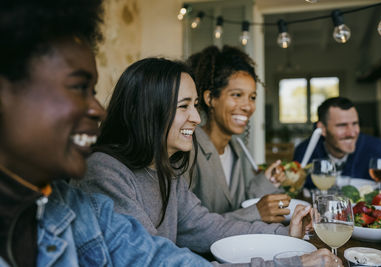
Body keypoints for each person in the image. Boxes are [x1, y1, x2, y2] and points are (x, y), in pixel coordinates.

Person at [0, 1, 290, 266]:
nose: (98, 110)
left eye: (195, 105)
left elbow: (175, 248)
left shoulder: (75, 204)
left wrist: (286, 240)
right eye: (78, 88)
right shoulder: (103, 174)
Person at [72, 57, 342, 267]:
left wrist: (284, 234)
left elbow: (209, 227)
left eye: (195, 105)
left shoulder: (167, 169)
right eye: (183, 106)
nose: (197, 118)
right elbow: (159, 262)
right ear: (146, 110)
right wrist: (289, 263)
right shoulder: (104, 172)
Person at [185, 45, 290, 223]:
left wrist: (266, 181)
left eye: (252, 97)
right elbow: (189, 225)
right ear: (210, 98)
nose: (248, 106)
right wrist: (256, 213)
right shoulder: (189, 150)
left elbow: (236, 205)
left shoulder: (235, 149)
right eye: (237, 95)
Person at [293, 97, 381, 192]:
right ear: (322, 129)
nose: (351, 133)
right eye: (342, 125)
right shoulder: (304, 151)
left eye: (355, 124)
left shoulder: (378, 149)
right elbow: (294, 192)